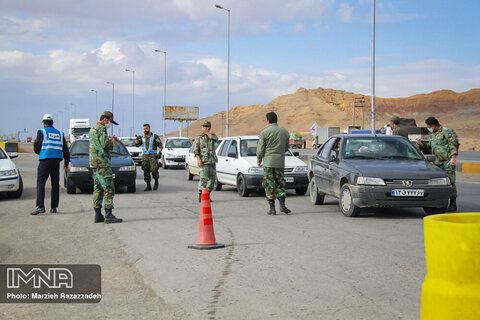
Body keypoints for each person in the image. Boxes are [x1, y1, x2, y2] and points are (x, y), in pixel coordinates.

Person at [417, 116, 459, 211]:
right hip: (437, 162)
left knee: (451, 182)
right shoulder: (433, 135)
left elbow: (453, 144)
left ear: (433, 125)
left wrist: (453, 158)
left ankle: (453, 204)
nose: (428, 128)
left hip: (447, 162)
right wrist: (420, 144)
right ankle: (438, 203)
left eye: (428, 126)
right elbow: (429, 146)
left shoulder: (446, 131)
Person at [31, 114, 70, 215]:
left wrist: (35, 143)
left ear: (44, 123)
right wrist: (66, 163)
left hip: (45, 161)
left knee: (41, 183)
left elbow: (36, 149)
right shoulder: (60, 134)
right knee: (55, 184)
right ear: (52, 123)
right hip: (56, 161)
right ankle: (54, 207)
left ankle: (40, 206)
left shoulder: (41, 132)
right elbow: (66, 150)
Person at [89, 111, 123, 223]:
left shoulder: (93, 129)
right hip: (102, 163)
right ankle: (109, 215)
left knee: (98, 189)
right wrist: (113, 141)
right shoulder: (102, 129)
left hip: (94, 163)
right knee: (109, 188)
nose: (109, 124)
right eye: (110, 121)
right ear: (105, 119)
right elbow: (105, 145)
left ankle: (98, 215)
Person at [257, 112, 291, 215]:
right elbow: (286, 148)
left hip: (268, 163)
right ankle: (282, 205)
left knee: (269, 184)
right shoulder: (284, 132)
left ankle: (272, 208)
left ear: (268, 121)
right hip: (280, 163)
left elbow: (260, 149)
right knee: (280, 183)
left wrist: (259, 160)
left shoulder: (265, 132)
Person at [194, 121, 218, 202]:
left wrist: (208, 133)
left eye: (206, 126)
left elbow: (216, 139)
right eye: (204, 126)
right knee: (203, 179)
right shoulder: (199, 138)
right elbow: (196, 151)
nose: (205, 128)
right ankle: (201, 197)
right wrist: (198, 160)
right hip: (203, 162)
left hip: (212, 161)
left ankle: (207, 195)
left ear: (209, 127)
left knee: (212, 180)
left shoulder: (212, 136)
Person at [135, 124, 163, 191]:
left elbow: (160, 145)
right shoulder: (143, 138)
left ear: (149, 128)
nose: (145, 130)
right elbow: (136, 145)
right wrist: (136, 139)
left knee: (154, 169)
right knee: (145, 171)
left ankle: (156, 181)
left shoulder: (154, 137)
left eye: (146, 128)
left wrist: (160, 152)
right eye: (144, 129)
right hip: (145, 157)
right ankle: (148, 185)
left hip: (153, 156)